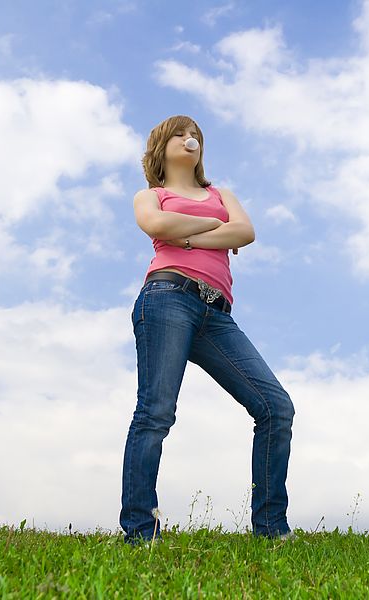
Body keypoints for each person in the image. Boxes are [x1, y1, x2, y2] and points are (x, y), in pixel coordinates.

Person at [119, 114, 295, 545]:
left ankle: (271, 530)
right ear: (161, 146)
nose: (190, 139)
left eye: (195, 135)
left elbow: (246, 231)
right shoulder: (150, 195)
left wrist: (189, 233)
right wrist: (216, 227)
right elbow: (157, 226)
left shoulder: (221, 193)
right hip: (167, 298)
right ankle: (140, 533)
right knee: (155, 414)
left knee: (276, 408)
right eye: (180, 134)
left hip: (217, 314)